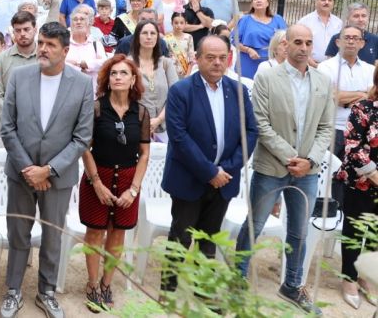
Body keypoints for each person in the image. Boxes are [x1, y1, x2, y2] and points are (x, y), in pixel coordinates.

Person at [0, 22, 93, 318]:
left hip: (57, 179)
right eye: (41, 42)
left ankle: (46, 291)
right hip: (21, 173)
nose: (42, 49)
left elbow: (82, 136)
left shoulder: (81, 84)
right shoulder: (19, 76)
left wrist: (48, 170)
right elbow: (7, 127)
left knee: (52, 236)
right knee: (18, 234)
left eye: (50, 45)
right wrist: (29, 168)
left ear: (66, 50)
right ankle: (13, 290)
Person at [238, 24, 333, 314]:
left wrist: (311, 160)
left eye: (308, 42)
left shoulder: (322, 81)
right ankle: (236, 277)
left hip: (308, 170)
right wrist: (291, 157)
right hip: (272, 166)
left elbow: (326, 127)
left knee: (300, 231)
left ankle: (292, 284)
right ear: (286, 45)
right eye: (298, 42)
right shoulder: (266, 77)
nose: (304, 48)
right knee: (255, 223)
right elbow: (261, 124)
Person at [161, 34, 257, 292]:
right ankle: (168, 287)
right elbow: (179, 138)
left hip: (224, 179)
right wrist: (209, 171)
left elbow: (251, 132)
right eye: (210, 57)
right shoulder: (181, 91)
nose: (217, 63)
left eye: (222, 58)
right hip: (189, 178)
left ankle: (204, 289)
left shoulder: (238, 90)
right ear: (197, 58)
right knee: (181, 235)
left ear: (229, 59)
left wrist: (227, 168)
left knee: (211, 236)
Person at [78, 55, 150, 312]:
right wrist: (96, 182)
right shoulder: (96, 108)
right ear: (107, 79)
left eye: (123, 73)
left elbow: (144, 154)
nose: (117, 77)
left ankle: (107, 283)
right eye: (113, 74)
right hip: (97, 177)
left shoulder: (141, 112)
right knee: (95, 232)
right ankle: (92, 284)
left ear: (133, 80)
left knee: (118, 232)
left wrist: (134, 188)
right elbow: (84, 148)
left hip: (129, 181)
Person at [336, 68, 378, 309]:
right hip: (361, 182)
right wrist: (375, 175)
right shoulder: (363, 108)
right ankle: (348, 278)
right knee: (354, 230)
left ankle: (365, 276)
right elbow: (353, 147)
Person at [317, 25, 374, 161]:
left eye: (355, 38)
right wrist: (362, 94)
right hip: (333, 130)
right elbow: (331, 96)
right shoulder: (325, 67)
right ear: (337, 42)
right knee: (327, 174)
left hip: (361, 132)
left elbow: (372, 97)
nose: (351, 41)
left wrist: (344, 98)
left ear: (362, 43)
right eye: (346, 37)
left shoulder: (370, 69)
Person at [130, 20, 177, 140]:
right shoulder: (128, 64)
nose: (149, 37)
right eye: (144, 33)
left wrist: (159, 119)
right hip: (135, 127)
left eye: (153, 33)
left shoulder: (166, 63)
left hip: (165, 128)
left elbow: (175, 97)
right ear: (137, 37)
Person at [234, 0, 287, 79]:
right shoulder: (245, 20)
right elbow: (234, 40)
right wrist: (248, 50)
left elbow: (286, 39)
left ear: (267, 3)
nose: (258, 0)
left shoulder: (278, 20)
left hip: (271, 61)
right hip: (248, 61)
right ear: (252, 3)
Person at [66, 5, 107, 92]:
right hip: (69, 93)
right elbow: (61, 65)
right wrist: (84, 66)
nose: (78, 22)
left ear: (88, 23)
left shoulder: (96, 45)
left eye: (82, 19)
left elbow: (104, 63)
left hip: (92, 93)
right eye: (75, 19)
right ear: (71, 23)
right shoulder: (64, 44)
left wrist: (83, 63)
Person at [297, 0, 342, 68]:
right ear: (316, 2)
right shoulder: (305, 22)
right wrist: (312, 63)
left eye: (330, 0)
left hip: (333, 67)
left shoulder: (339, 23)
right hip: (309, 66)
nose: (327, 2)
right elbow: (298, 44)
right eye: (323, 0)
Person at [165, 12, 195, 78]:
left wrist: (188, 74)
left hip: (186, 72)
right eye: (176, 23)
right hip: (170, 74)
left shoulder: (189, 37)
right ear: (172, 23)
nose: (178, 25)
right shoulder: (166, 39)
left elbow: (191, 58)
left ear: (185, 24)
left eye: (181, 23)